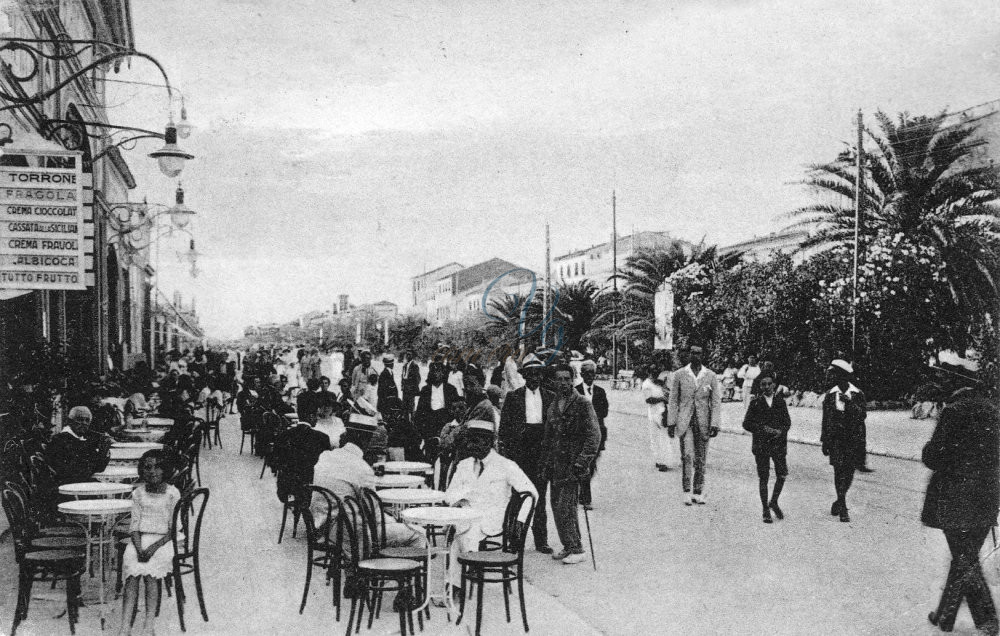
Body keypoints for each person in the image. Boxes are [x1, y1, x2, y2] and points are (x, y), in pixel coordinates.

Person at [921, 383, 1000, 635]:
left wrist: (927, 450)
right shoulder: (994, 412)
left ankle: (988, 620)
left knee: (965, 560)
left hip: (955, 497)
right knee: (965, 557)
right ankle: (945, 615)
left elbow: (935, 456)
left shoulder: (953, 411)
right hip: (987, 496)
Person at [445, 420, 538, 582]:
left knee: (463, 535)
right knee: (462, 532)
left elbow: (531, 493)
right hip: (466, 516)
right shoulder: (464, 465)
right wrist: (463, 497)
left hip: (493, 518)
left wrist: (520, 520)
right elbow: (449, 494)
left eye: (476, 440)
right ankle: (465, 575)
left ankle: (458, 581)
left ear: (488, 442)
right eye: (469, 440)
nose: (470, 445)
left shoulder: (506, 465)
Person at [310, 428, 421, 547]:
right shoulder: (362, 468)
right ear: (366, 441)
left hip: (323, 528)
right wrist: (393, 520)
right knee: (418, 533)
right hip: (352, 535)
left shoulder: (325, 456)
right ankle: (387, 564)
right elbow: (374, 515)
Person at [117, 449, 181, 636]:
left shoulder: (172, 493)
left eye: (158, 467)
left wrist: (152, 548)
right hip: (140, 540)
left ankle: (148, 625)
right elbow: (134, 527)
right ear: (142, 470)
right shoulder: (138, 493)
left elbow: (173, 530)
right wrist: (138, 548)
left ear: (165, 470)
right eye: (147, 467)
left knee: (151, 575)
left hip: (163, 541)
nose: (152, 471)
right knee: (131, 573)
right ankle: (125, 626)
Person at [541, 364, 601, 564]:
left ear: (573, 380)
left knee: (567, 506)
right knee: (556, 505)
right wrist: (546, 462)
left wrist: (583, 461)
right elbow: (548, 438)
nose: (564, 383)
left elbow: (594, 435)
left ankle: (577, 548)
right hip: (556, 464)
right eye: (559, 379)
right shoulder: (552, 405)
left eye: (567, 379)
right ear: (553, 382)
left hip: (573, 464)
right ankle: (568, 545)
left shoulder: (582, 403)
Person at [497, 354, 555, 553]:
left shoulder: (550, 397)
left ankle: (541, 541)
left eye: (537, 374)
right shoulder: (514, 397)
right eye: (530, 374)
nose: (534, 378)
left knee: (539, 497)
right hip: (520, 451)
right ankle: (514, 540)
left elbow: (554, 427)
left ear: (541, 375)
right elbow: (504, 428)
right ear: (524, 376)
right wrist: (508, 453)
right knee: (518, 496)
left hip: (541, 450)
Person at [667, 344, 722, 505]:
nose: (695, 356)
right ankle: (686, 490)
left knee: (701, 458)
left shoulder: (710, 375)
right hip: (685, 421)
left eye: (698, 353)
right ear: (689, 355)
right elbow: (673, 400)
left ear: (703, 355)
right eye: (692, 353)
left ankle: (698, 491)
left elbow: (716, 401)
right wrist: (671, 423)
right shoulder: (680, 374)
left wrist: (715, 423)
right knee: (687, 455)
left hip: (703, 421)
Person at [820, 359, 866, 523]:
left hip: (853, 439)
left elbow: (862, 415)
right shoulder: (830, 395)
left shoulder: (857, 394)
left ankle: (839, 500)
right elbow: (825, 419)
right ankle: (844, 507)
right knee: (839, 471)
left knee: (849, 472)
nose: (832, 377)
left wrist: (850, 403)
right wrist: (824, 441)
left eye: (835, 374)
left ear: (844, 376)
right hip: (836, 439)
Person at [742, 373, 791, 524]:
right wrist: (763, 429)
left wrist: (780, 431)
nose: (766, 387)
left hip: (778, 445)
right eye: (763, 384)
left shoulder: (780, 402)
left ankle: (774, 501)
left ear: (774, 385)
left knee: (782, 474)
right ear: (760, 386)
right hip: (761, 444)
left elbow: (787, 422)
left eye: (769, 384)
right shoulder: (755, 403)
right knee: (764, 477)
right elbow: (746, 423)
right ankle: (765, 509)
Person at [45, 406, 113, 486]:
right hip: (66, 486)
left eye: (87, 420)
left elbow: (99, 468)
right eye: (80, 420)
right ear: (70, 421)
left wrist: (104, 451)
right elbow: (75, 472)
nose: (84, 423)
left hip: (79, 483)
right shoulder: (60, 440)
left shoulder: (82, 440)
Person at [576, 360, 608, 511]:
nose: (589, 376)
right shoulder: (575, 391)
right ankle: (586, 498)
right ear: (582, 374)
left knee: (592, 465)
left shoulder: (600, 392)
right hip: (580, 434)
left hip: (597, 434)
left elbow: (605, 412)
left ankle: (582, 490)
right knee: (585, 465)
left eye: (592, 373)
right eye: (586, 373)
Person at [414, 361, 461, 463]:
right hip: (430, 426)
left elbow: (457, 410)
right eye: (434, 371)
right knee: (430, 457)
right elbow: (419, 412)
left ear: (443, 373)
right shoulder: (425, 390)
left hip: (446, 426)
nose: (436, 374)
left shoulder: (451, 389)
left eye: (439, 371)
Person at [641, 364, 673, 472]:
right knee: (655, 438)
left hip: (662, 412)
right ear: (649, 372)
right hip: (653, 414)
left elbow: (668, 395)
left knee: (663, 438)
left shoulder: (659, 383)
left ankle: (663, 460)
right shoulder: (646, 384)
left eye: (657, 371)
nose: (655, 373)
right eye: (653, 371)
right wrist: (662, 398)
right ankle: (659, 461)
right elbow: (648, 399)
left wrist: (666, 399)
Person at [400, 350, 422, 415]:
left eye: (410, 354)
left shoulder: (415, 366)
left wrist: (412, 386)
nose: (408, 356)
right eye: (407, 354)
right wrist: (402, 384)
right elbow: (403, 376)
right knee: (404, 405)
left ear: (412, 356)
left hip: (411, 390)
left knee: (411, 406)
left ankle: (411, 420)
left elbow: (418, 378)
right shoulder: (405, 365)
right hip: (405, 389)